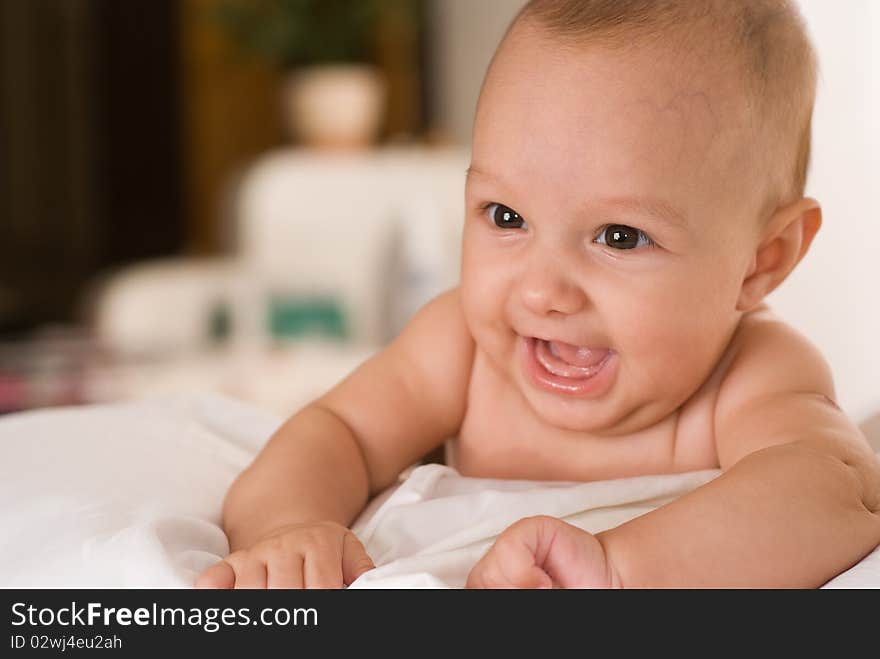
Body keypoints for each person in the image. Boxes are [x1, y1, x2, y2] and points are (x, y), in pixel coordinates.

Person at [196, 0, 880, 589]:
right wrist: (291, 527)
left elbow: (839, 491)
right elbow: (333, 432)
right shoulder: (463, 349)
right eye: (506, 217)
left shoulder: (750, 374)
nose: (543, 291)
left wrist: (616, 570)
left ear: (761, 260)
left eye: (619, 236)